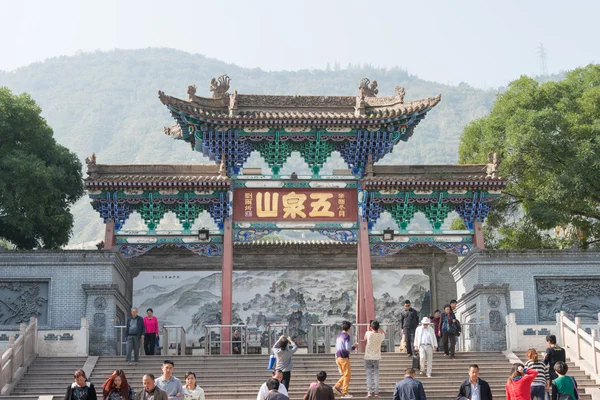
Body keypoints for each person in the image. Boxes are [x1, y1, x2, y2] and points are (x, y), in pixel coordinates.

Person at [334, 320, 357, 398]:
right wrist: (354, 346)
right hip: (344, 357)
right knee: (347, 375)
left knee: (345, 374)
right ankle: (344, 392)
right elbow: (348, 348)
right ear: (349, 328)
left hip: (338, 357)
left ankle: (337, 387)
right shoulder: (346, 336)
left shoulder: (339, 335)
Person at [364, 320, 385, 397]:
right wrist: (380, 328)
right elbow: (384, 333)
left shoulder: (368, 333)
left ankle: (369, 392)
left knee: (369, 375)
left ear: (371, 327)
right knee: (376, 375)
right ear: (378, 327)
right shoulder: (380, 336)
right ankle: (376, 392)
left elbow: (364, 338)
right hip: (376, 357)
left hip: (368, 357)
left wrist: (368, 327)